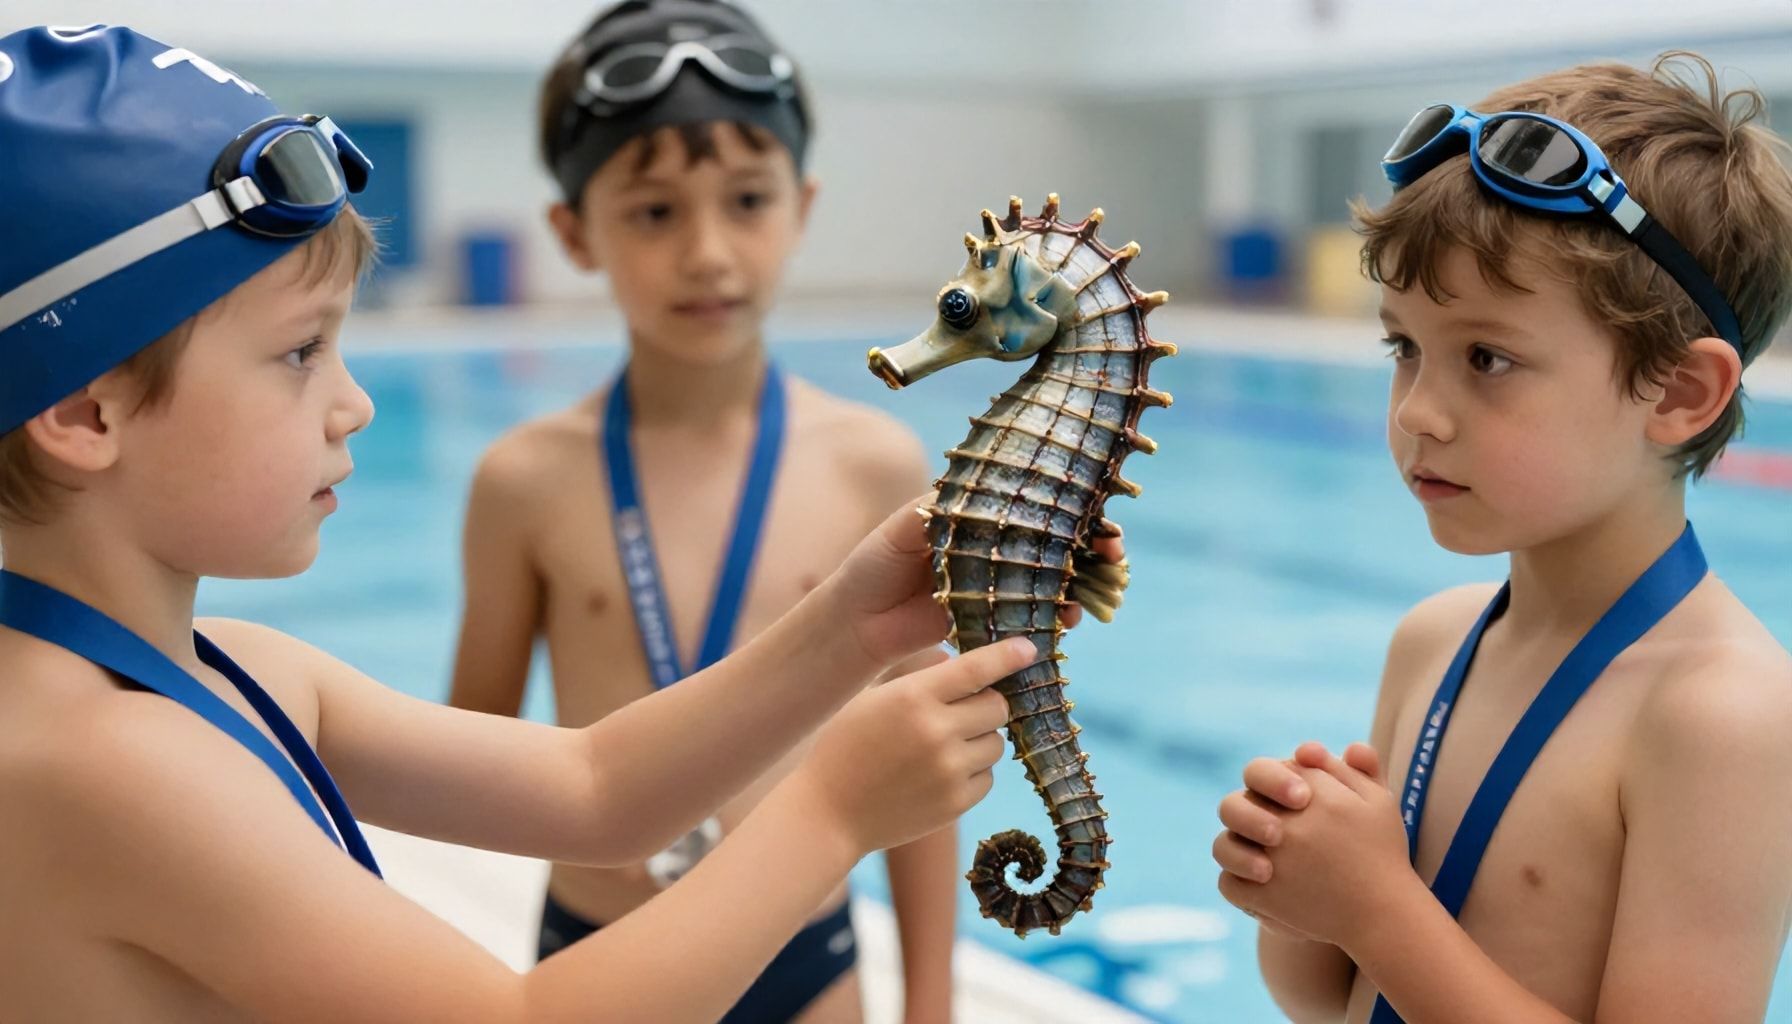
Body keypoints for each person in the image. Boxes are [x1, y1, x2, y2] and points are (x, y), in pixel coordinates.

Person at [0, 24, 1039, 1022]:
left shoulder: (244, 673)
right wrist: (832, 812)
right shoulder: (106, 764)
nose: (353, 402)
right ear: (86, 411)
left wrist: (853, 625)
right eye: (299, 352)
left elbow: (595, 789)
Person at [1213, 53, 1792, 1024]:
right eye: (1403, 347)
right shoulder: (1433, 641)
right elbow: (1329, 1002)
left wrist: (1377, 906)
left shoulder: (1719, 713)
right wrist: (1304, 897)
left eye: (1487, 357)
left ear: (1680, 393)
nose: (1418, 413)